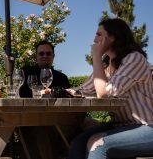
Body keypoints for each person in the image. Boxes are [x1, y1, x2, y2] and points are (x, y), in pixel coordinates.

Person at [66, 18, 153, 159]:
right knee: (78, 142)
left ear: (113, 37)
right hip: (120, 126)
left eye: (99, 35)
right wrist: (57, 91)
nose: (94, 40)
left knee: (98, 144)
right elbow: (84, 90)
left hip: (147, 127)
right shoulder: (107, 66)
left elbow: (103, 94)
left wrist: (96, 56)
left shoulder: (135, 59)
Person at [18, 40, 80, 159]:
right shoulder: (26, 73)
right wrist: (39, 92)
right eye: (41, 54)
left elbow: (69, 98)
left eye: (48, 53)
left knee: (88, 125)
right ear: (36, 56)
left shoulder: (62, 78)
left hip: (60, 119)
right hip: (32, 120)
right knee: (43, 131)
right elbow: (21, 95)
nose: (45, 56)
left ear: (53, 56)